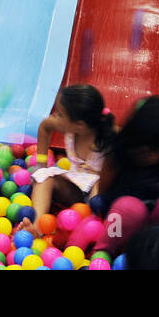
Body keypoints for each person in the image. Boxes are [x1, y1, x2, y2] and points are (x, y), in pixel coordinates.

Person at [89, 97, 159, 265]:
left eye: (157, 151)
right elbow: (104, 194)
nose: (151, 156)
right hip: (127, 224)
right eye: (143, 150)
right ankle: (103, 253)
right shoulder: (119, 153)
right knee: (128, 207)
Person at [22, 84, 113, 226]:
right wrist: (41, 164)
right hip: (74, 187)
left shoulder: (109, 137)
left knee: (98, 184)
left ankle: (90, 226)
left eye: (60, 114)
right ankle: (36, 227)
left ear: (80, 125)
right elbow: (45, 127)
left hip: (99, 194)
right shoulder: (68, 128)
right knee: (45, 177)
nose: (55, 116)